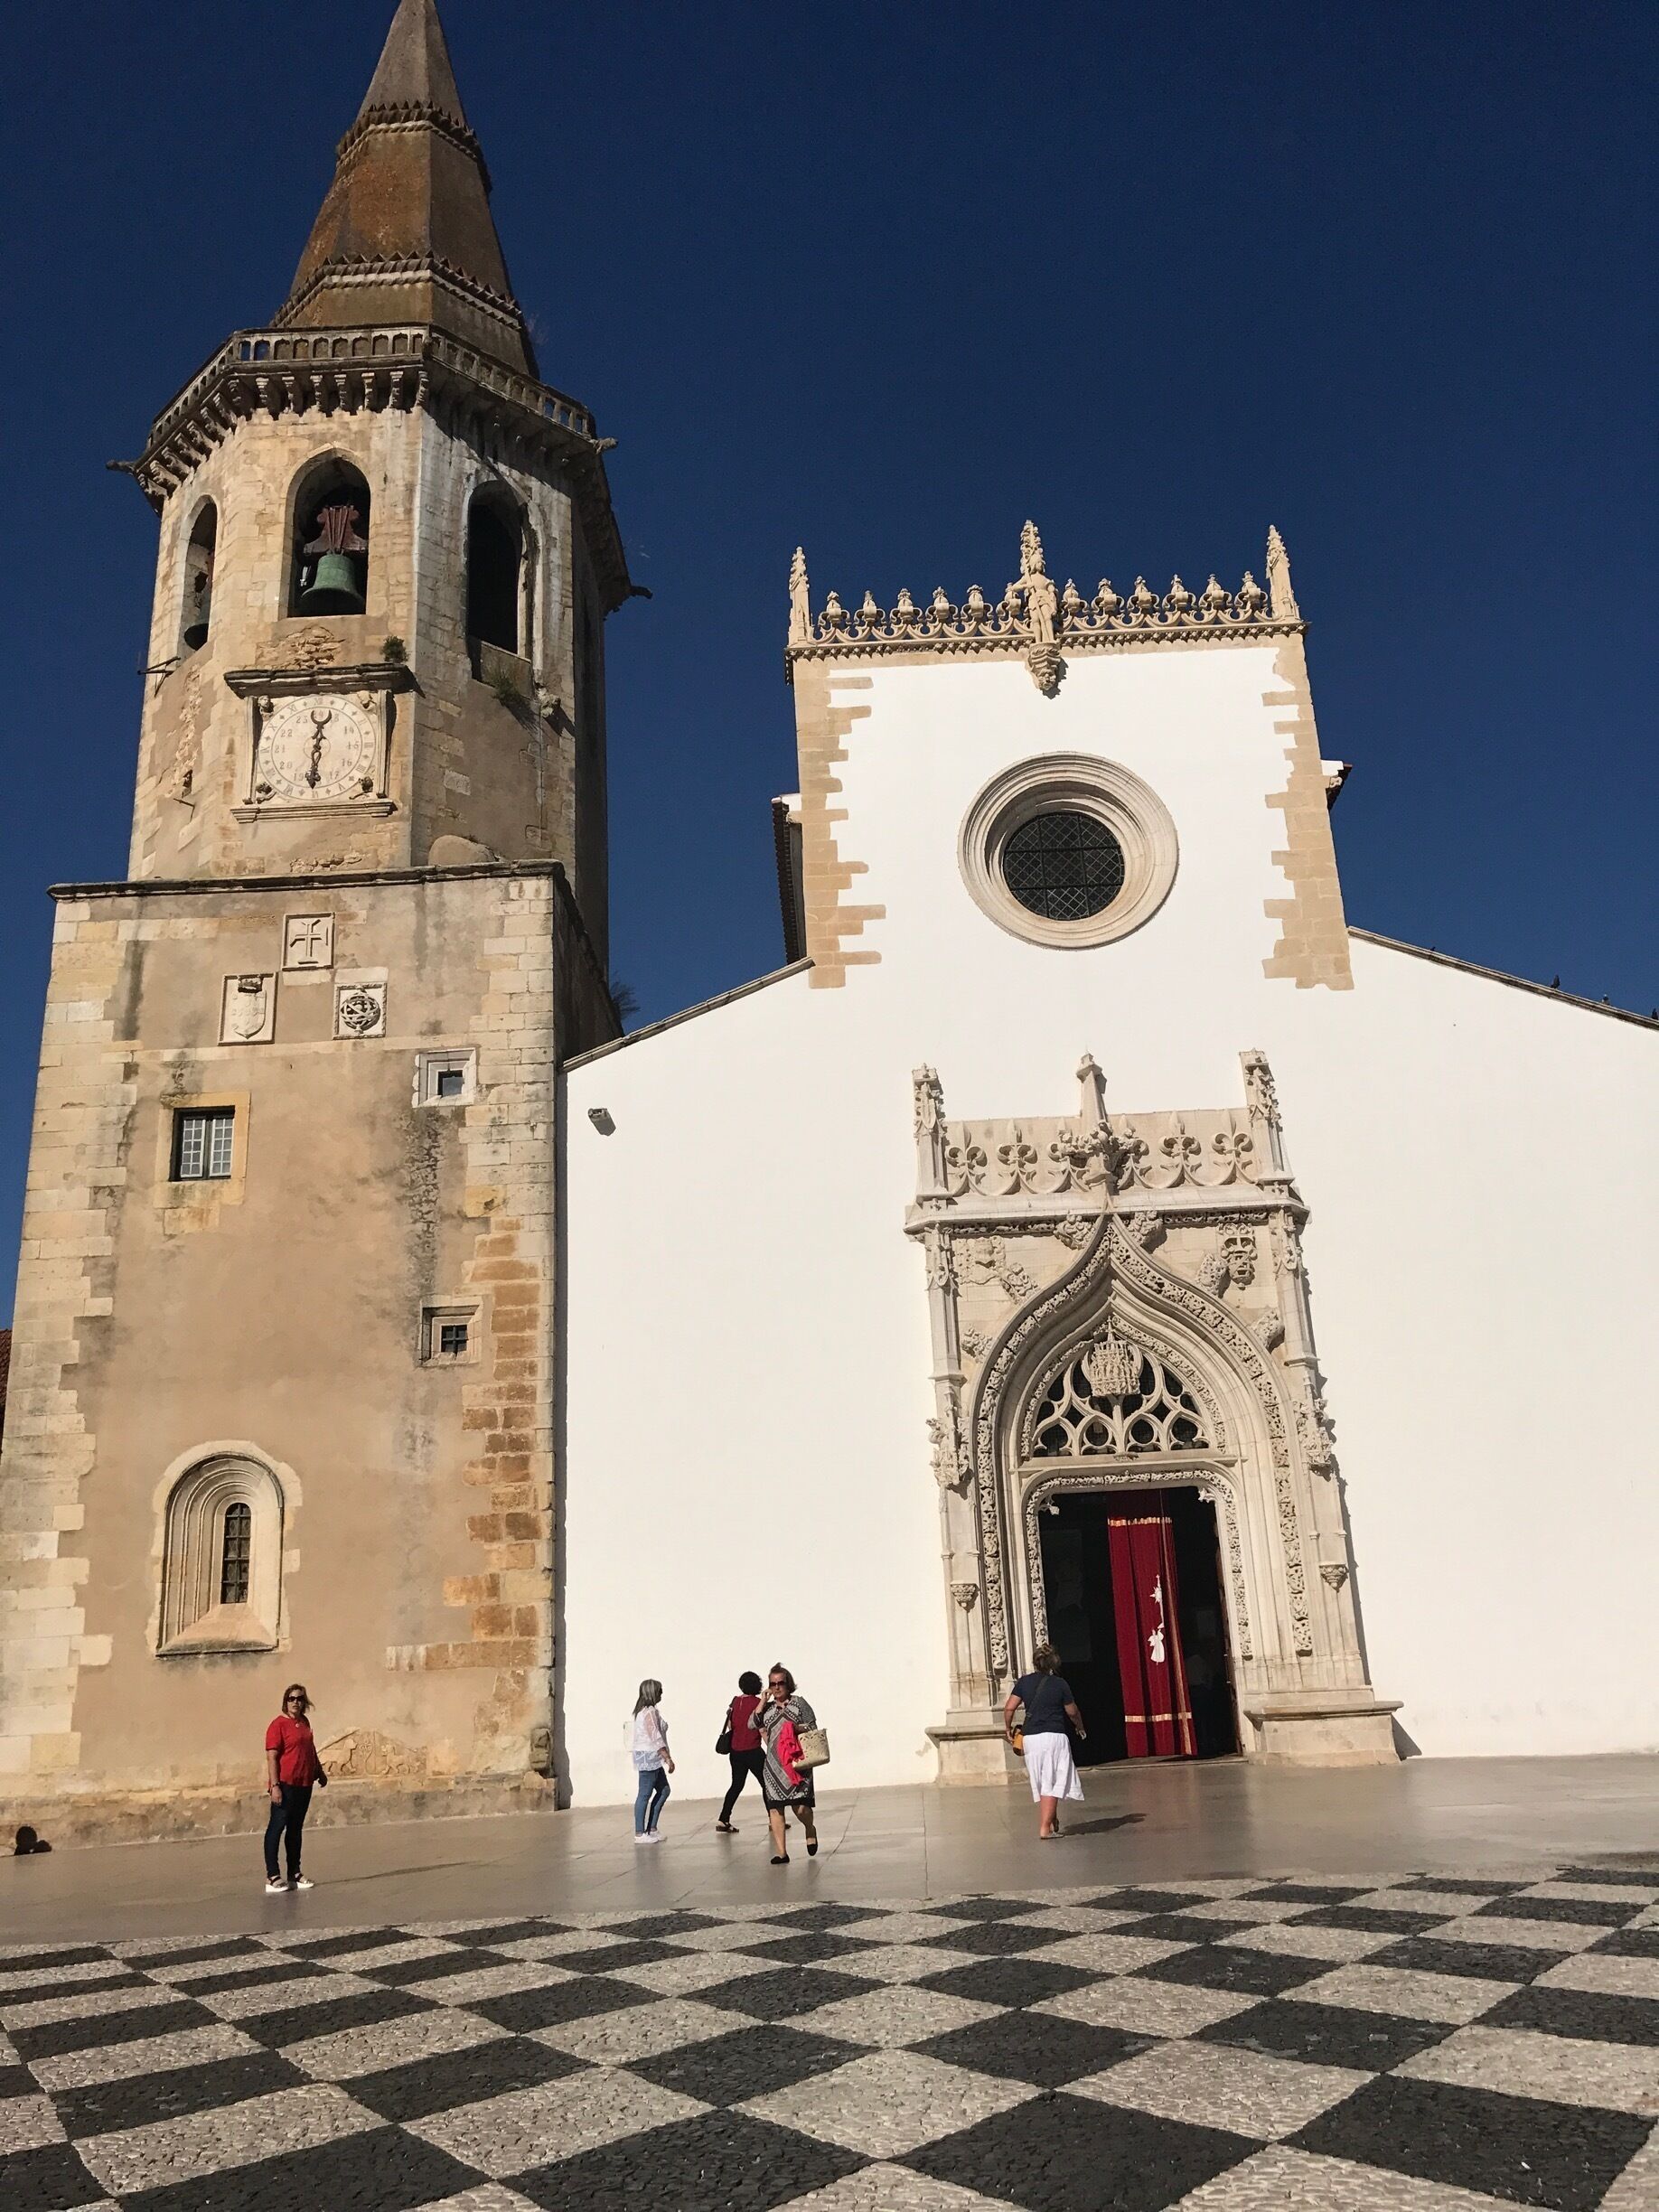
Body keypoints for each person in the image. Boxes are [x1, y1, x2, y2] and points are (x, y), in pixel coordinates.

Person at [1005, 1642, 1085, 1839]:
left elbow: (1009, 1707)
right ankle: (1044, 1828)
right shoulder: (1060, 1684)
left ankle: (1051, 1820)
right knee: (1053, 1779)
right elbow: (1072, 1711)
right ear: (1053, 1663)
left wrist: (1007, 1728)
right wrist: (1080, 1726)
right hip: (1054, 1736)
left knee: (1043, 1779)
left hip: (1031, 1738)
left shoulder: (1024, 1682)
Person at [264, 1682, 326, 1892]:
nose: (296, 1702)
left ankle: (294, 1873)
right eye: (291, 1698)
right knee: (277, 1827)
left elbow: (310, 1749)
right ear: (286, 1701)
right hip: (285, 1784)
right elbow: (272, 1756)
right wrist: (275, 1786)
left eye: (299, 1698)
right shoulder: (278, 1725)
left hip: (304, 1783)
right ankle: (272, 1876)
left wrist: (319, 1771)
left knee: (295, 1829)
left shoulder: (304, 1723)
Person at [756, 1663, 818, 1864]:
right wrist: (762, 1701)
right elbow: (752, 1723)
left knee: (801, 1809)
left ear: (788, 1684)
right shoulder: (767, 1708)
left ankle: (810, 1828)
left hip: (797, 1764)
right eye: (773, 1684)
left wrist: (795, 1728)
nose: (776, 1687)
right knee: (775, 1809)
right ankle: (782, 1852)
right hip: (773, 1767)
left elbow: (812, 1726)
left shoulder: (799, 1703)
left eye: (780, 1683)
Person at [715, 1670, 765, 1832]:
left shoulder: (735, 1702)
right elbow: (761, 1726)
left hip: (736, 1751)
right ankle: (774, 1819)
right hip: (753, 1750)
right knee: (767, 1784)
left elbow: (730, 1725)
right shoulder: (758, 1703)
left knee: (736, 1785)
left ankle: (724, 1819)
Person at [630, 1678, 674, 1842]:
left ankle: (652, 1828)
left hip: (652, 1758)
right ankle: (640, 1833)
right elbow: (655, 1736)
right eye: (660, 1690)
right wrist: (667, 1758)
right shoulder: (648, 1713)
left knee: (664, 1790)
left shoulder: (649, 1711)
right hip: (649, 1757)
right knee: (644, 1794)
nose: (662, 1693)